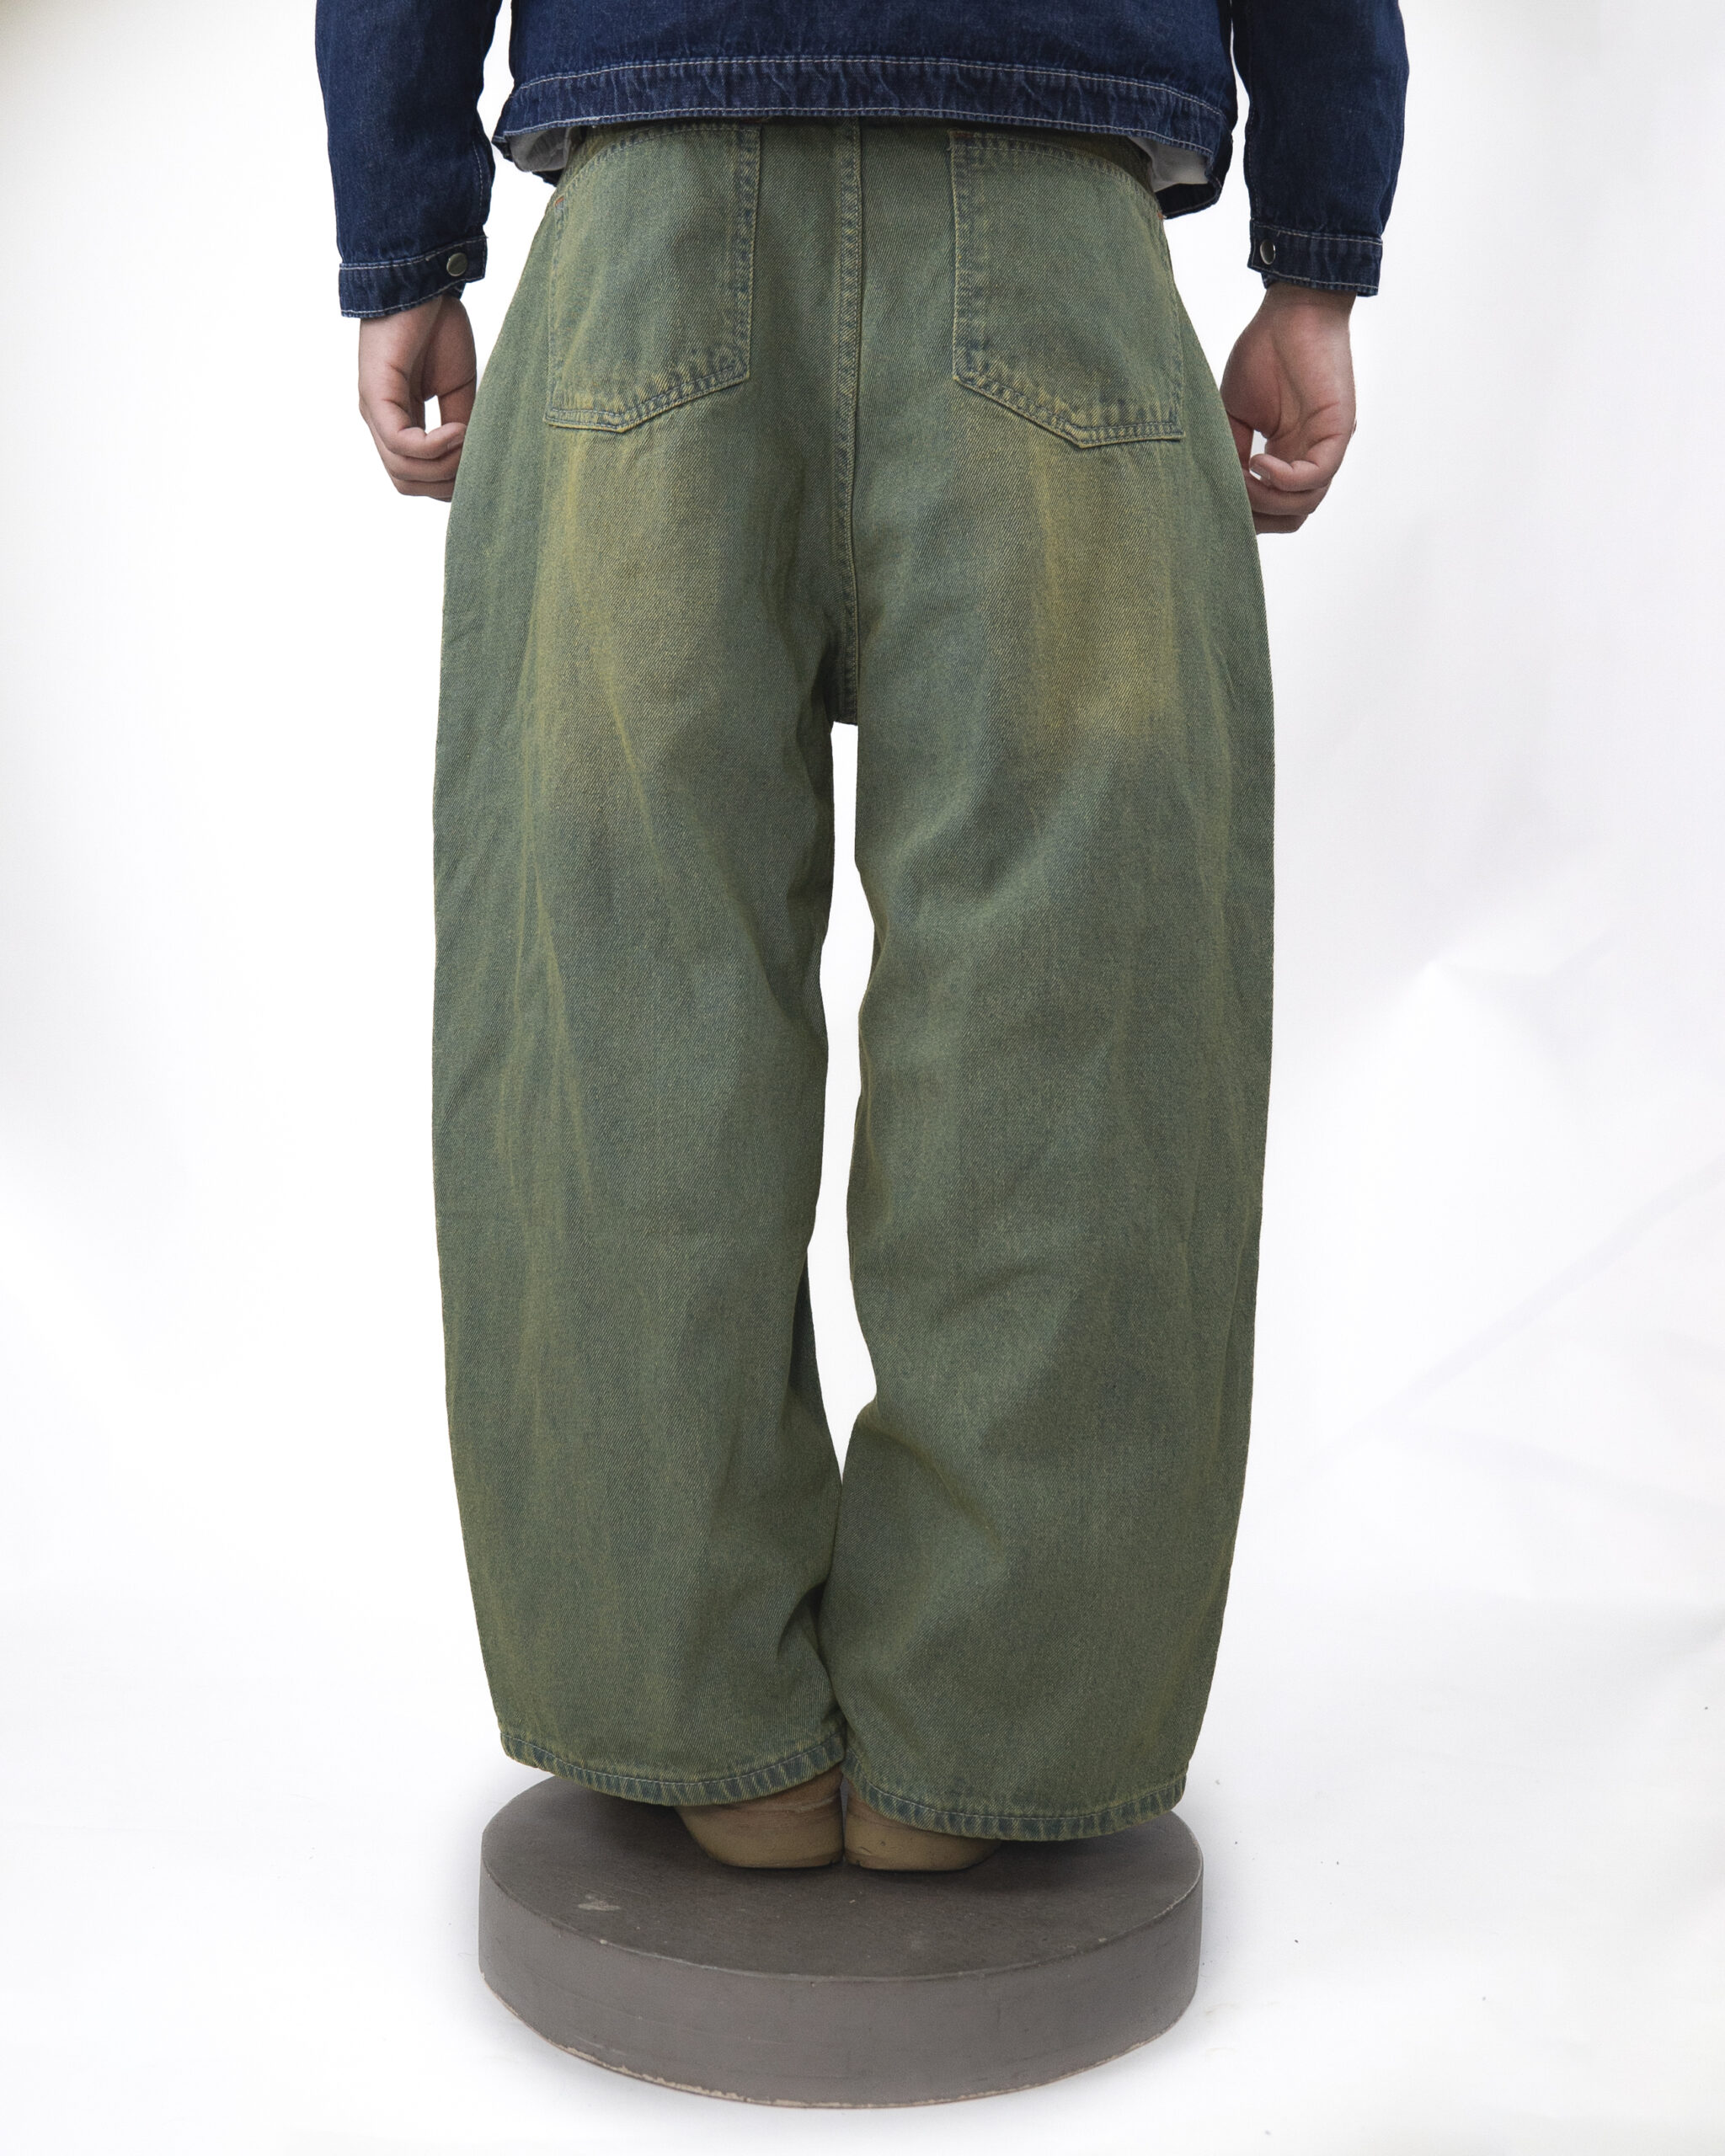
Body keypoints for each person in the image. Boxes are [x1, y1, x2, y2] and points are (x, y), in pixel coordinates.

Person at [317, 2, 1407, 1873]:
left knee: (618, 990)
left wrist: (402, 243)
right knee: (1071, 1005)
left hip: (653, 197)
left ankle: (691, 1718)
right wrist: (1314, 258)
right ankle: (986, 1727)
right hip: (1054, 206)